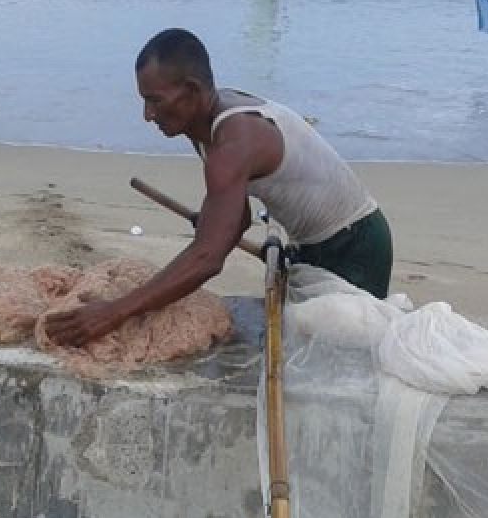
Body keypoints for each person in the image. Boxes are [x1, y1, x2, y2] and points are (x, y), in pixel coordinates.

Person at [44, 28, 393, 347]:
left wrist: (115, 312)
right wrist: (214, 222)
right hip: (312, 243)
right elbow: (237, 219)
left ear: (192, 90)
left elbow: (208, 258)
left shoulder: (235, 140)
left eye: (156, 101)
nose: (148, 115)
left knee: (343, 355)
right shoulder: (204, 124)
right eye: (144, 101)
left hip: (356, 245)